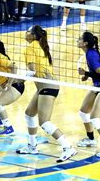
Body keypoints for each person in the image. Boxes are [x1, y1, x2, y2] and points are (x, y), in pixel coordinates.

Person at [16, 25, 77, 163]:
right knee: (29, 114)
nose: (25, 33)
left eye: (28, 31)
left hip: (47, 87)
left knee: (44, 122)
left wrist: (18, 80)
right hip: (44, 87)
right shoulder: (40, 46)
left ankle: (68, 148)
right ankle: (32, 146)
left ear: (33, 36)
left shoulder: (31, 48)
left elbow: (32, 71)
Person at [76, 31, 100, 158]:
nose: (77, 40)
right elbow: (97, 73)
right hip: (98, 86)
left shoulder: (91, 54)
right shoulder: (89, 53)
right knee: (83, 112)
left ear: (85, 43)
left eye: (80, 39)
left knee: (94, 117)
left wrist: (86, 73)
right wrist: (88, 75)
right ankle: (91, 139)